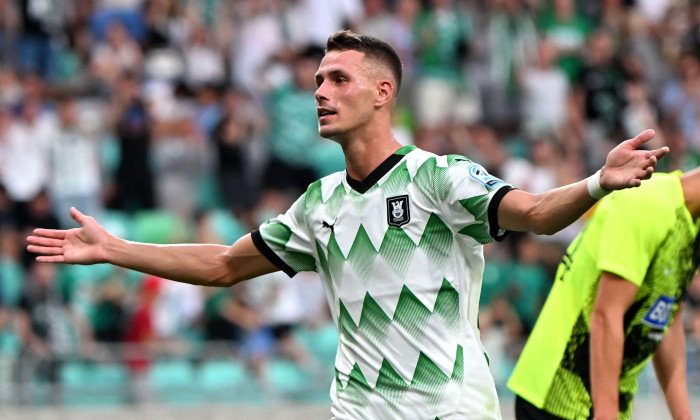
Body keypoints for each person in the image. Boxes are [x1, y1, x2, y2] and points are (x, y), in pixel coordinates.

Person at [27, 31, 669, 419]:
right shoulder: (319, 204)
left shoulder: (437, 176)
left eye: (338, 79)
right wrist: (115, 248)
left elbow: (530, 212)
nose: (320, 92)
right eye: (317, 81)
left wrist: (593, 183)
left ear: (382, 92)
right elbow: (224, 265)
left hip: (446, 405)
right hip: (358, 408)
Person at [508, 168, 700, 420]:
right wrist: (606, 413)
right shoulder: (645, 204)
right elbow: (606, 315)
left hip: (601, 404)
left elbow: (666, 318)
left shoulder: (691, 225)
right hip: (556, 398)